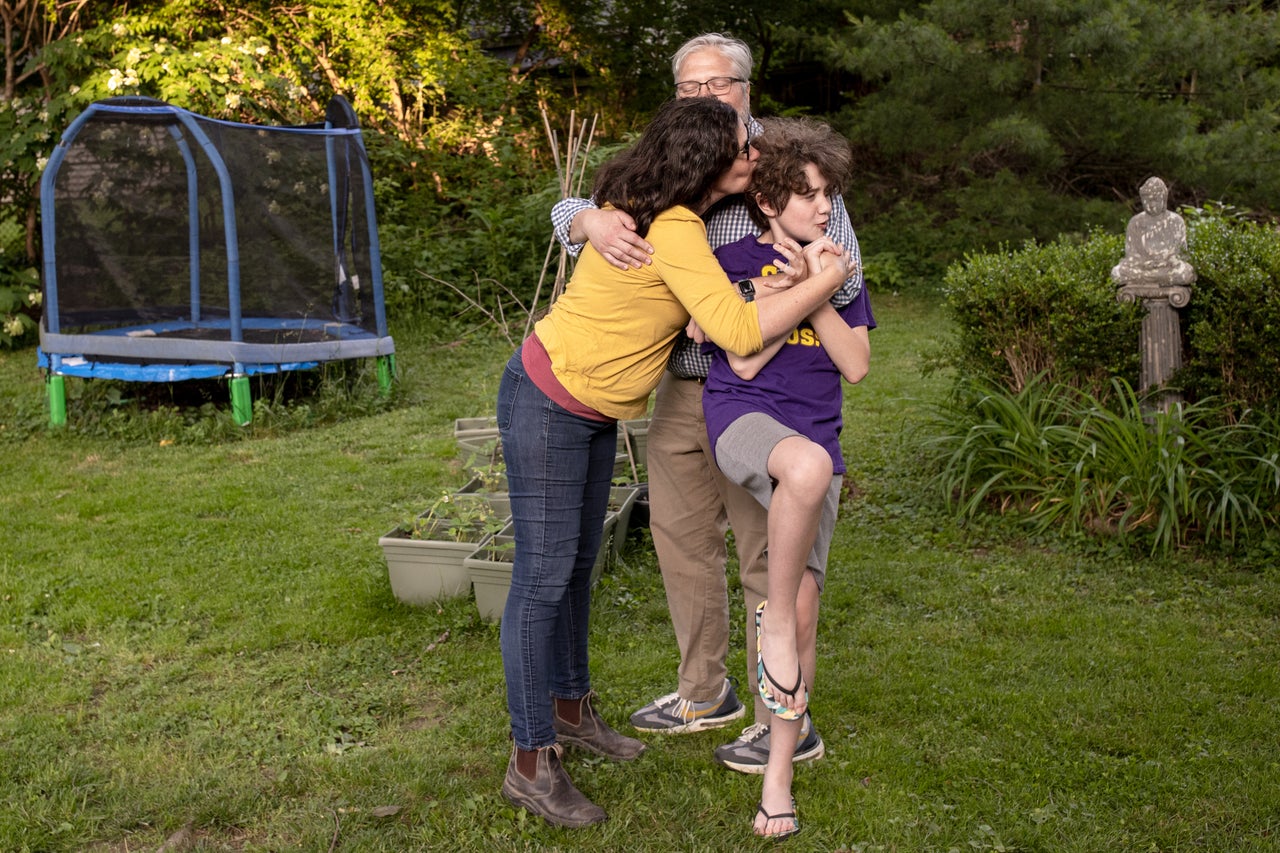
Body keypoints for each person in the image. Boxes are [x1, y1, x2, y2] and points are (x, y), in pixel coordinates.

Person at [499, 95, 851, 829]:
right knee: (542, 578)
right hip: (549, 398)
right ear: (708, 161)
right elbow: (737, 330)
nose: (755, 156)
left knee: (574, 565)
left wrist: (593, 215)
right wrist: (821, 284)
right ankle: (531, 760)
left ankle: (570, 710)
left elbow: (710, 297)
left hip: (588, 407)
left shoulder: (648, 201)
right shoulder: (679, 225)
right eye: (743, 148)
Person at [702, 116, 874, 840]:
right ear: (770, 202)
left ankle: (779, 771)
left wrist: (824, 284)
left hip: (817, 435)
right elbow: (740, 361)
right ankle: (770, 628)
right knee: (802, 463)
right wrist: (793, 287)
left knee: (804, 609)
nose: (822, 206)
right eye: (806, 194)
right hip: (744, 420)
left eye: (828, 193)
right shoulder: (736, 259)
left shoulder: (838, 270)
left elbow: (858, 364)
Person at [1110, 176, 1195, 286]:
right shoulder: (1135, 222)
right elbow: (1131, 255)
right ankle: (1156, 280)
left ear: (1164, 199)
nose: (1151, 205)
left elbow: (1181, 253)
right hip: (1142, 268)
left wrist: (1165, 260)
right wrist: (1143, 263)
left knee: (1186, 272)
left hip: (1167, 268)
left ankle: (1153, 279)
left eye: (1156, 200)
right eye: (1147, 200)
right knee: (1117, 273)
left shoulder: (1175, 221)